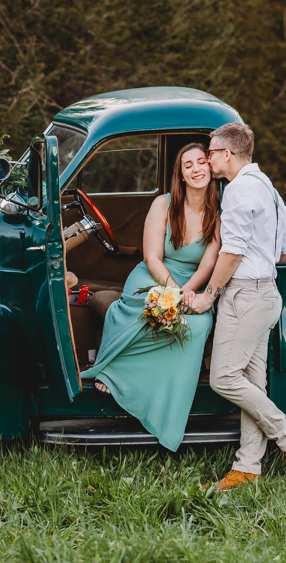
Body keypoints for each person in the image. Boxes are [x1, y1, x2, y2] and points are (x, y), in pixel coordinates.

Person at [189, 122, 286, 491]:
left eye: (210, 153)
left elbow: (233, 251)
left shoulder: (239, 190)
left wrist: (209, 295)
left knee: (223, 377)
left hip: (244, 296)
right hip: (265, 294)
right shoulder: (267, 187)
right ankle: (247, 467)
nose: (207, 159)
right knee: (250, 383)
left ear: (226, 154)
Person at [80, 143, 221, 451]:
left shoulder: (219, 213)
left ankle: (158, 399)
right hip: (154, 275)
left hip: (192, 283)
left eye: (202, 162)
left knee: (197, 326)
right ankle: (115, 372)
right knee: (145, 310)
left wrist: (187, 292)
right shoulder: (164, 204)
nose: (197, 169)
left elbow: (210, 263)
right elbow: (152, 256)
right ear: (181, 174)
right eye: (188, 165)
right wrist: (171, 289)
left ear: (211, 168)